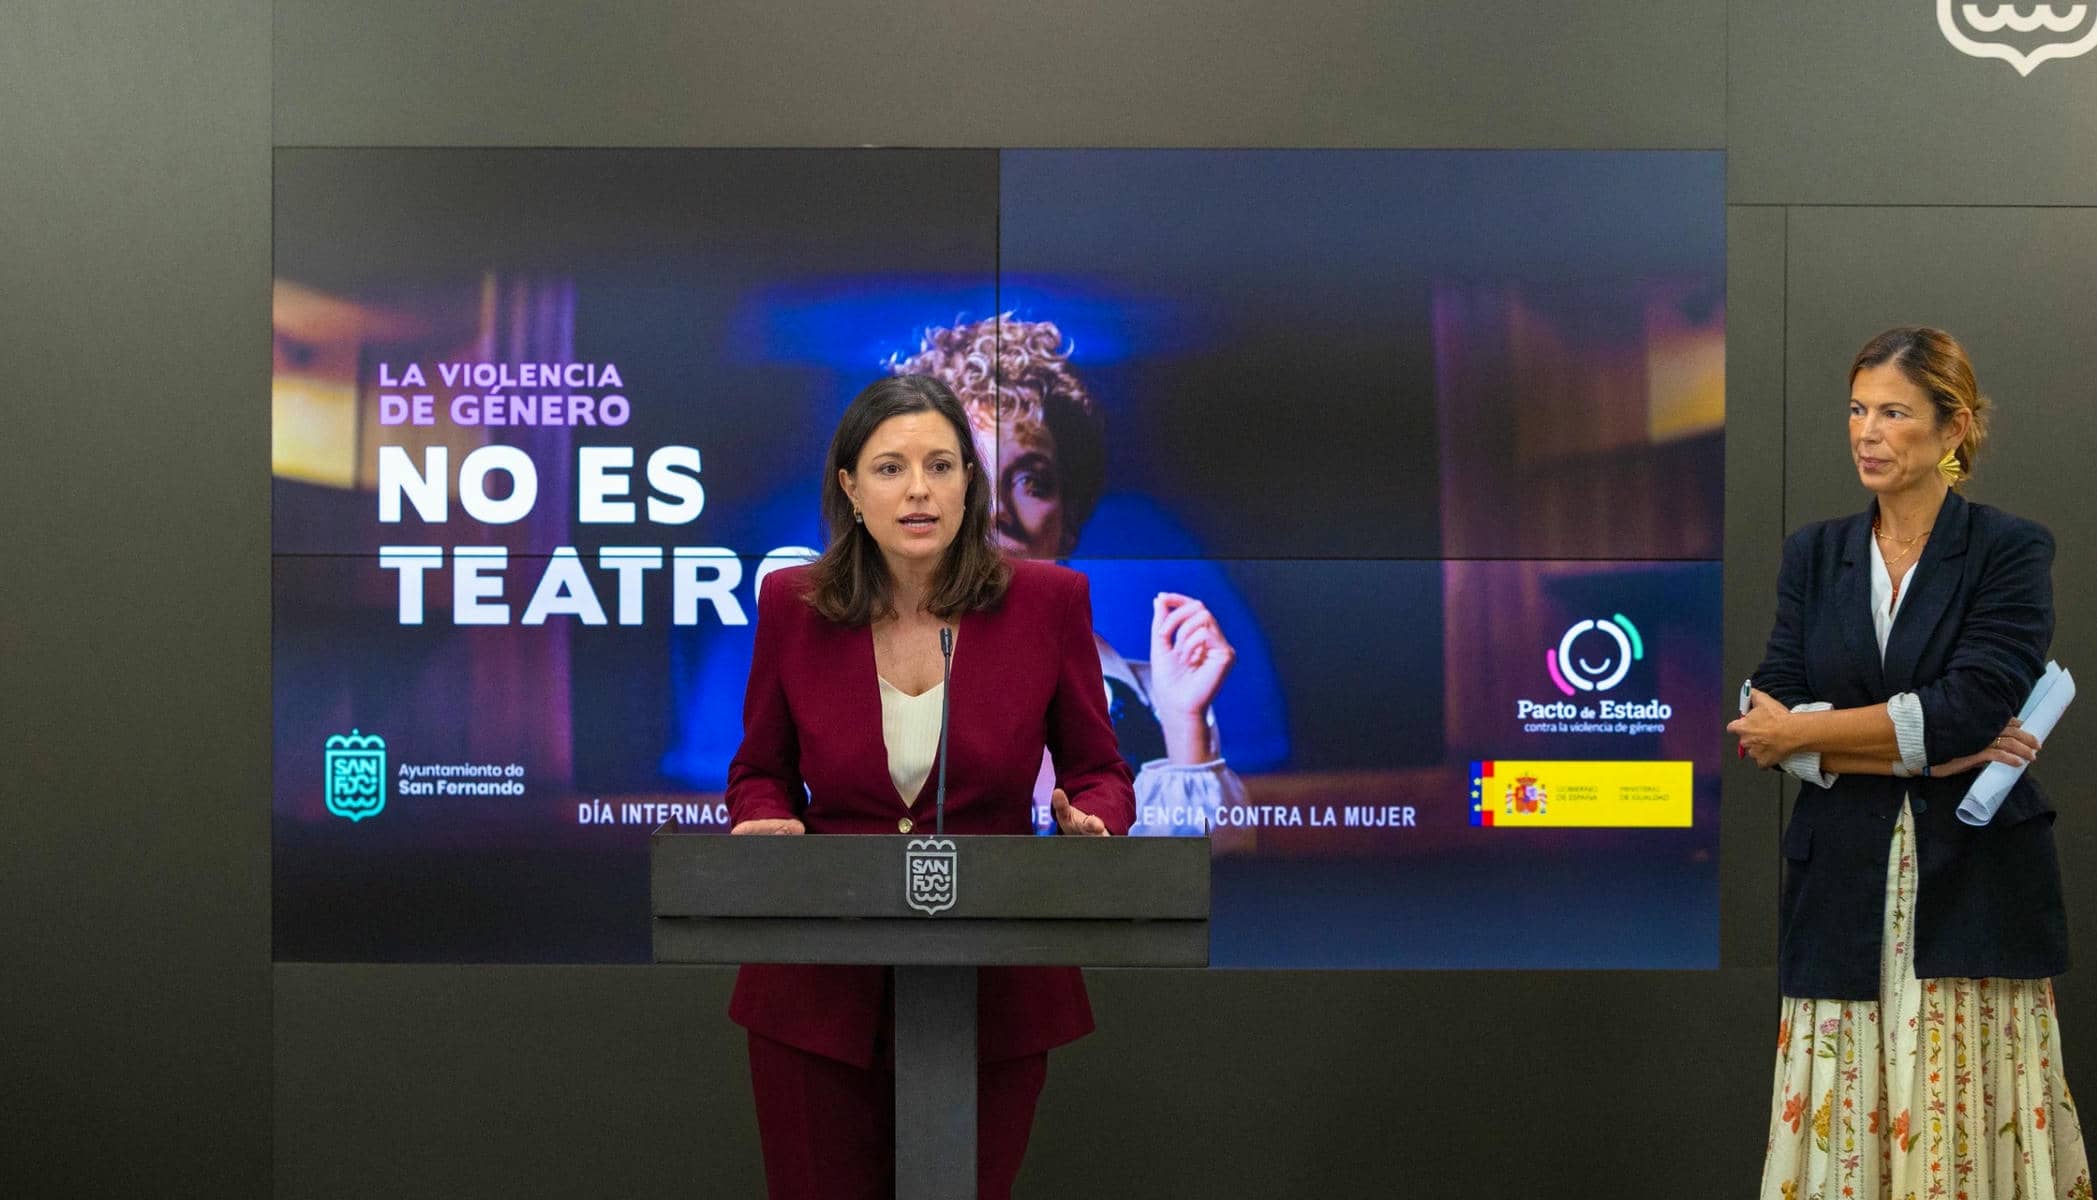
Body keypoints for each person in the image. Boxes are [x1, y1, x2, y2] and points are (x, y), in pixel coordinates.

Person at [723, 373, 1135, 1199]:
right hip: (818, 991)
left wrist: (1091, 816)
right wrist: (765, 823)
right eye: (890, 468)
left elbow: (1099, 769)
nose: (918, 489)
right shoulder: (792, 604)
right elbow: (760, 770)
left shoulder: (1047, 603)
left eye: (941, 466)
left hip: (993, 985)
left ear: (965, 485)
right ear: (849, 486)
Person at [1729, 327, 2089, 1198]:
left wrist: (1815, 736)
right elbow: (1762, 714)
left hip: (1972, 885)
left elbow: (1972, 702)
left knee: (1960, 1120)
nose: (1866, 432)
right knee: (1839, 1121)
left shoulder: (2009, 548)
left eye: (1892, 412)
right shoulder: (1815, 554)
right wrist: (1923, 751)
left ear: (1953, 426)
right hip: (1841, 895)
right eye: (1857, 410)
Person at [890, 315, 1248, 836]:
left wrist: (1184, 727)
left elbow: (1213, 887)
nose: (997, 514)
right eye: (964, 475)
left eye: (1031, 480)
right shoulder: (867, 681)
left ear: (1070, 517)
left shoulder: (1154, 700)